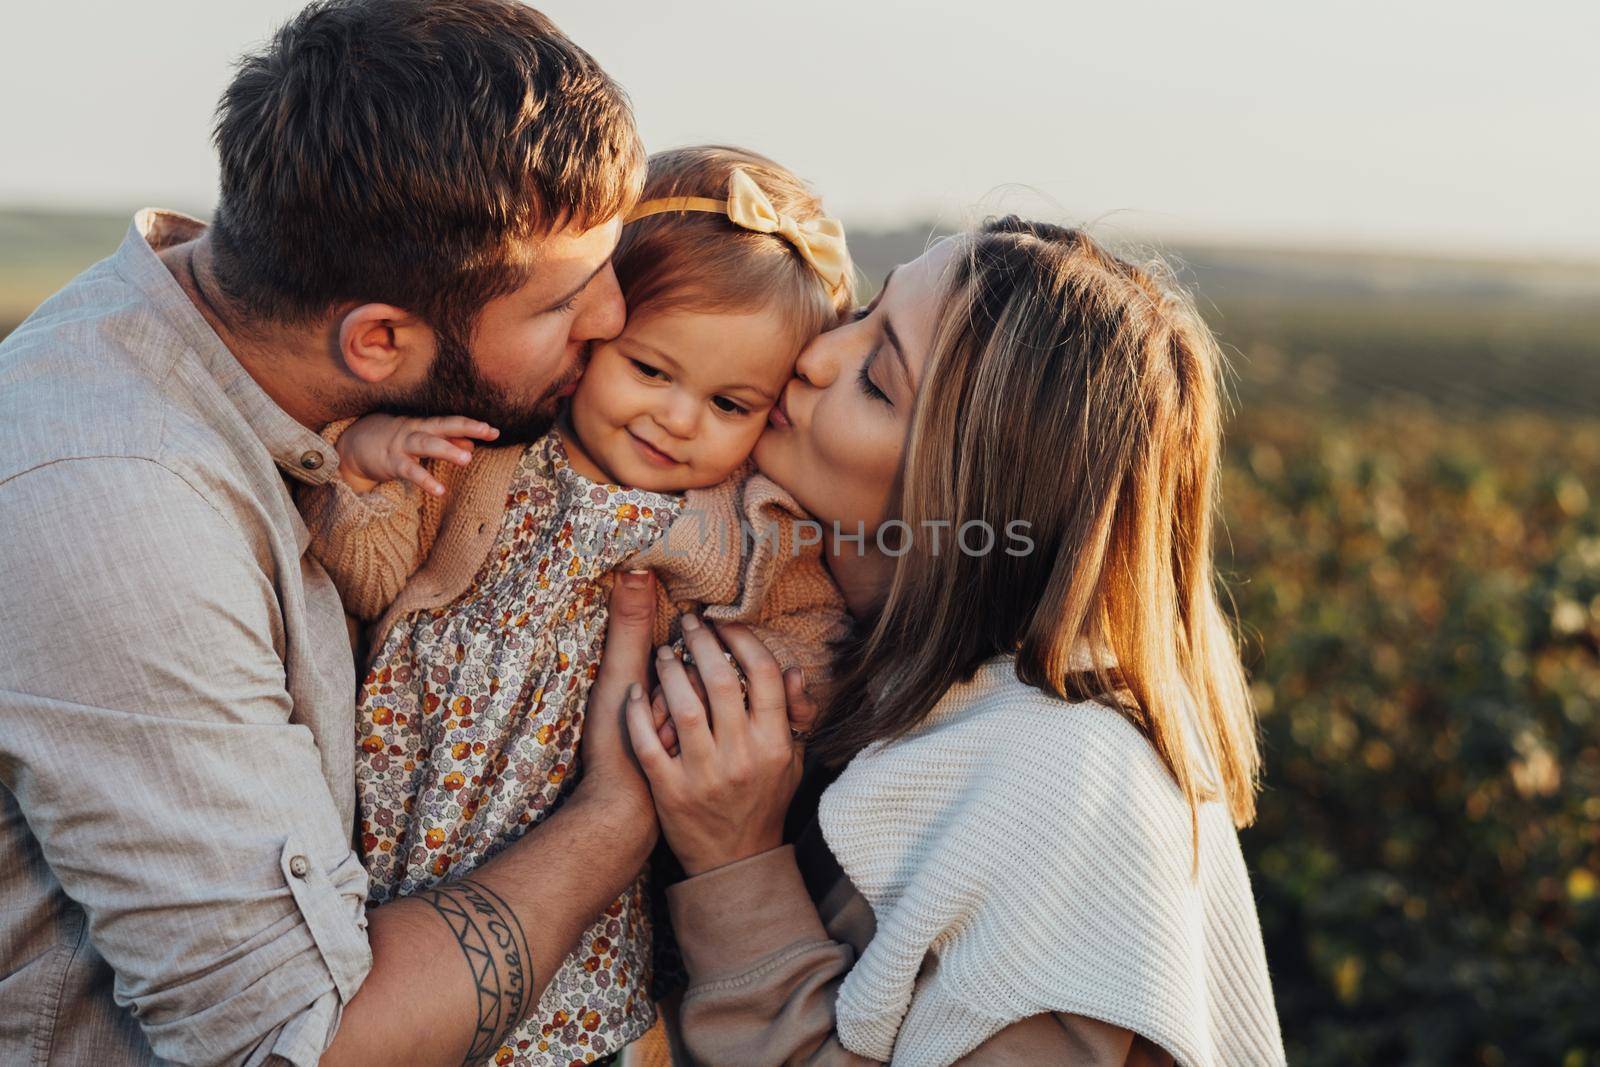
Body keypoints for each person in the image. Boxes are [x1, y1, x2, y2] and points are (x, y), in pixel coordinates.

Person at [0, 3, 671, 1063]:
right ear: (379, 340)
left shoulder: (298, 391)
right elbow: (303, 1044)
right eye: (564, 302)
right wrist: (620, 816)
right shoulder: (120, 504)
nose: (614, 319)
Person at [624, 221, 1289, 1064]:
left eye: (875, 379)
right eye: (864, 309)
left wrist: (735, 861)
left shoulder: (1066, 792)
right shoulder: (844, 660)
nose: (817, 354)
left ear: (963, 503)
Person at [293, 145, 855, 1065]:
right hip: (394, 810)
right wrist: (368, 472)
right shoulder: (494, 455)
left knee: (558, 1011)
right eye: (650, 369)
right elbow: (366, 574)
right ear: (593, 333)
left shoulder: (740, 519)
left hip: (571, 850)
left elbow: (810, 623)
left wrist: (790, 678)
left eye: (729, 401)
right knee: (369, 995)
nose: (679, 418)